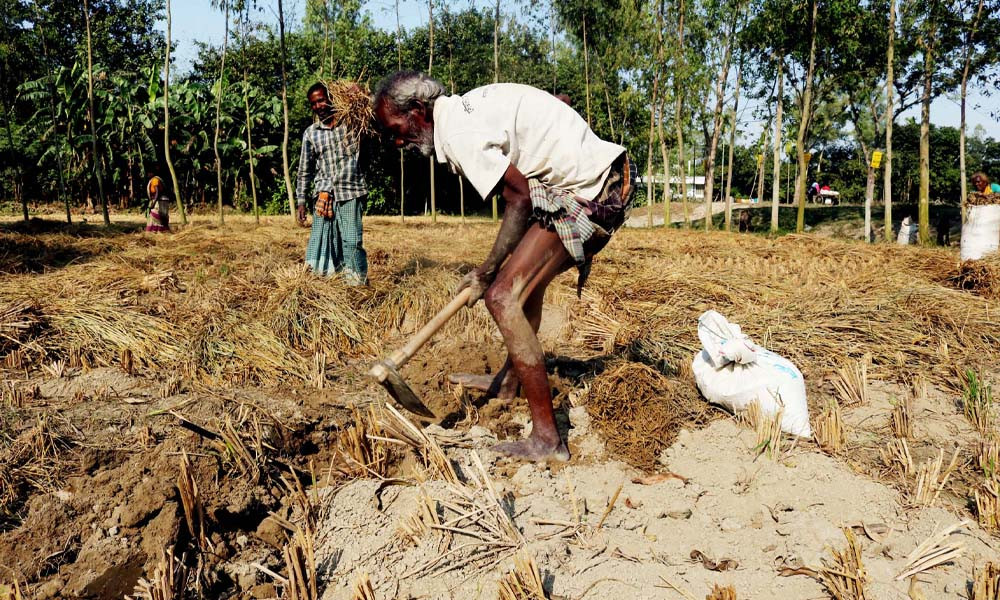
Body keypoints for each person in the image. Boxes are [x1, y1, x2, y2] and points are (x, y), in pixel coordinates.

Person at [374, 71, 635, 461]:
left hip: (594, 190)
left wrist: (486, 271)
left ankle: (548, 439)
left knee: (501, 295)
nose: (398, 142)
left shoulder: (458, 133)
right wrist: (496, 265)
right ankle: (510, 383)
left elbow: (521, 198)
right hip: (587, 182)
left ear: (417, 111)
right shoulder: (459, 116)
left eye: (396, 129)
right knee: (521, 285)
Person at [295, 82, 369, 284]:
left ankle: (355, 284)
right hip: (323, 195)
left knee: (352, 241)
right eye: (313, 103)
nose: (318, 106)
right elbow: (304, 170)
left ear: (331, 98)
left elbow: (369, 106)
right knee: (325, 240)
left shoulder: (351, 124)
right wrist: (301, 201)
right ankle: (326, 283)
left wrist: (358, 90)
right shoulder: (311, 133)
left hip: (350, 191)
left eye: (321, 100)